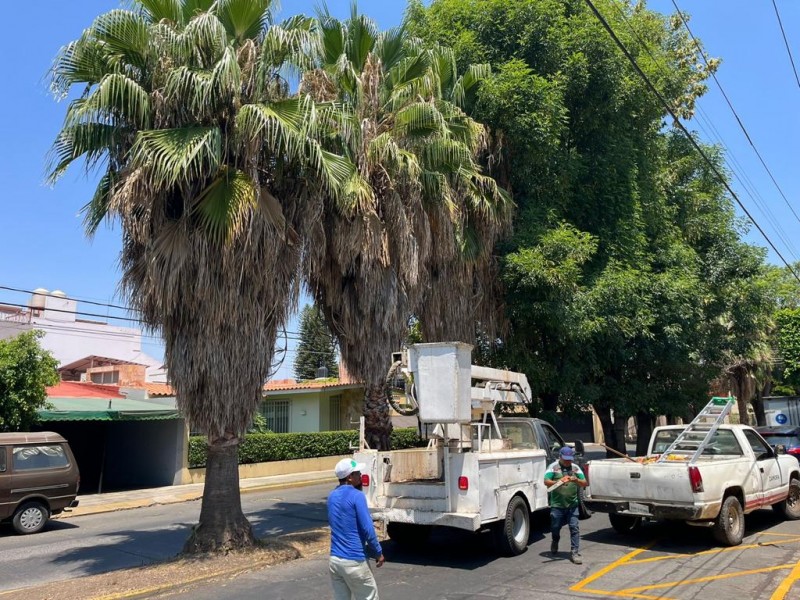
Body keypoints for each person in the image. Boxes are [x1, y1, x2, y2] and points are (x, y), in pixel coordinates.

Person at [327, 457, 385, 600]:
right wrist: (378, 552)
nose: (360, 475)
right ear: (349, 477)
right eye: (357, 473)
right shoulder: (357, 496)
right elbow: (368, 529)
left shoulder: (332, 496)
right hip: (354, 561)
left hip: (335, 561)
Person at [544, 446, 588, 564]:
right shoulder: (553, 467)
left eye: (570, 459)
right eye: (566, 459)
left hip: (572, 505)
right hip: (557, 505)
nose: (568, 461)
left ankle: (574, 552)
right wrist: (559, 482)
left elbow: (584, 482)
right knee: (555, 527)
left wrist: (576, 480)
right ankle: (555, 540)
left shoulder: (575, 468)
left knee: (574, 528)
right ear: (560, 457)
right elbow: (546, 482)